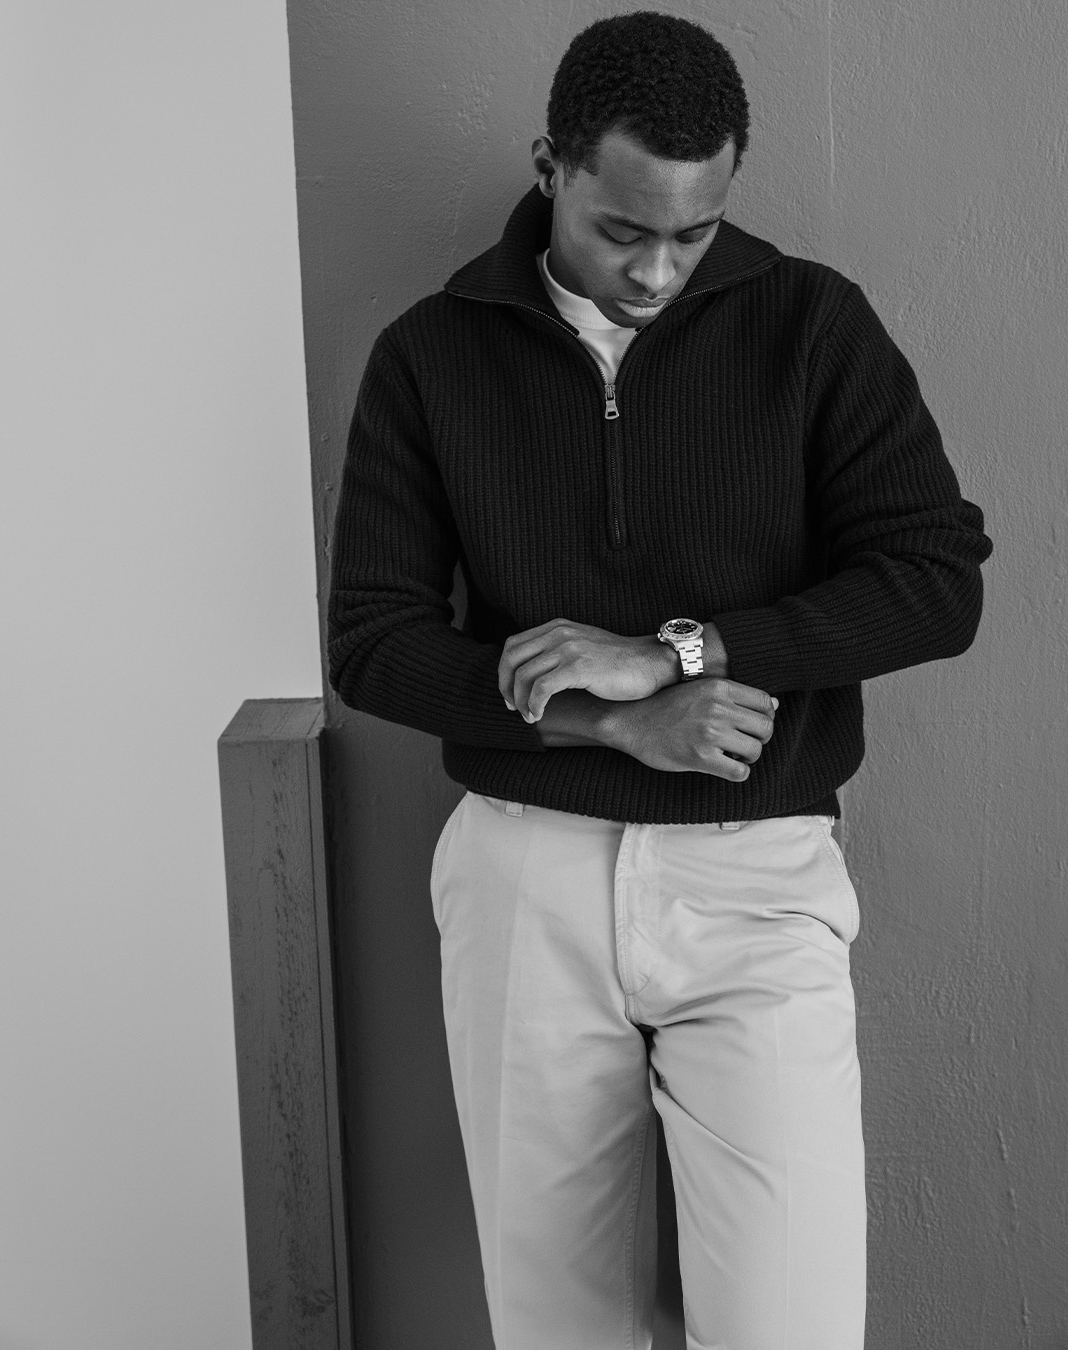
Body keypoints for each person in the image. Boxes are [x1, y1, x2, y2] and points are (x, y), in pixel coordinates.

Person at [327, 12, 992, 1349]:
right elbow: (374, 643)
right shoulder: (432, 352)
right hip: (527, 868)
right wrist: (617, 725)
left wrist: (679, 652)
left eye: (694, 233)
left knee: (790, 1325)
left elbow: (936, 580)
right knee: (557, 1327)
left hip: (759, 873)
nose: (656, 270)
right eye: (623, 230)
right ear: (551, 166)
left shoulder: (811, 324)